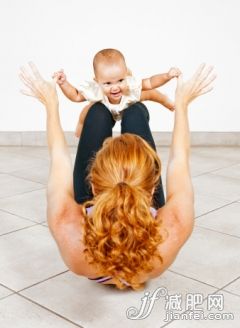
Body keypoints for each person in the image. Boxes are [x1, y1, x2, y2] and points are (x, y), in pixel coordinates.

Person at [19, 62, 216, 290]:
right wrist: (182, 104)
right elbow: (179, 158)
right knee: (134, 111)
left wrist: (50, 104)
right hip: (150, 243)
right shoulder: (174, 227)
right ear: (153, 190)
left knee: (97, 111)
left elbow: (58, 156)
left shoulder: (67, 227)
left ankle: (104, 114)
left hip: (89, 240)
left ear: (92, 186)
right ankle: (132, 114)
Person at [52, 48, 181, 137]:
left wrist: (167, 76)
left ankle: (166, 100)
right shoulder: (96, 91)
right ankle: (80, 125)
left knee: (150, 93)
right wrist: (63, 83)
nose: (115, 88)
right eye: (108, 83)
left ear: (125, 75)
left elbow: (151, 82)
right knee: (87, 110)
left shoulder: (129, 85)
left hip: (127, 100)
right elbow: (75, 96)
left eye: (120, 80)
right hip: (106, 106)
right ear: (97, 81)